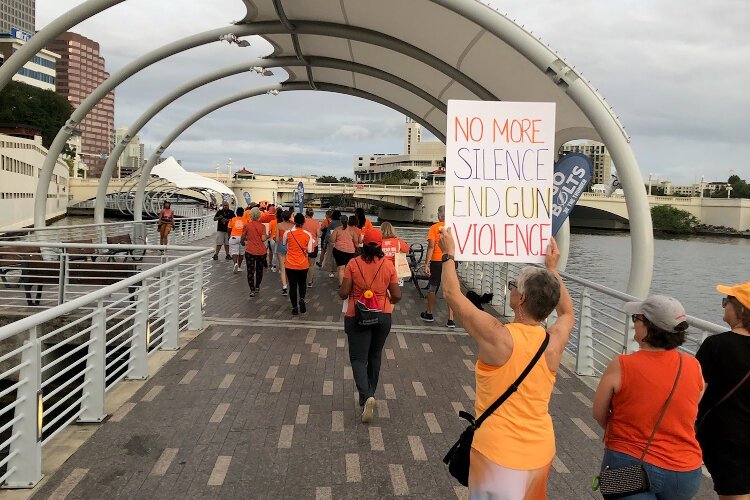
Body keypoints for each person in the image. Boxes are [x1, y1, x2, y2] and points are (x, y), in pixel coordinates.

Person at [438, 229, 575, 499]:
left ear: (520, 299)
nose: (511, 288)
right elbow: (568, 312)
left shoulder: (499, 336)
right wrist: (553, 271)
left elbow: (453, 296)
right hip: (540, 451)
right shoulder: (553, 342)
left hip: (496, 453)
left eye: (514, 285)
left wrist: (448, 252)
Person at [593, 295, 704, 499]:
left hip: (628, 461)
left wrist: (619, 434)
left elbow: (599, 412)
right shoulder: (693, 366)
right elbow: (689, 409)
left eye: (636, 318)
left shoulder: (622, 364)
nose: (634, 323)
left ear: (649, 327)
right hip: (684, 472)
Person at [338, 228, 400, 423]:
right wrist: (383, 297)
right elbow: (397, 296)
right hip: (382, 316)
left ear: (363, 244)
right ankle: (370, 393)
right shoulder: (388, 265)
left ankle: (366, 396)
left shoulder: (353, 264)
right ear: (380, 245)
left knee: (358, 358)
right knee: (375, 355)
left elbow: (344, 292)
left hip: (358, 315)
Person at [696, 281, 750, 499]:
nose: (723, 306)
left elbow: (694, 393)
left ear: (742, 310)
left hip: (727, 440)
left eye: (726, 301)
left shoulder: (716, 345)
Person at [421, 205, 455, 328]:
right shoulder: (453, 228)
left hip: (437, 260)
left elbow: (431, 246)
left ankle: (429, 313)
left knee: (433, 286)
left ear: (439, 215)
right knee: (451, 288)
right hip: (451, 260)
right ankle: (450, 319)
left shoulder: (434, 228)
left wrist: (426, 264)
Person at [283, 213, 315, 315]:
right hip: (303, 264)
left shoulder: (287, 233)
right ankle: (302, 298)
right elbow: (310, 250)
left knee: (292, 286)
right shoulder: (308, 234)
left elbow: (284, 243)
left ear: (294, 221)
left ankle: (294, 308)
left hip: (290, 263)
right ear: (303, 222)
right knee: (302, 284)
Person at [240, 207, 268, 297]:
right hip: (261, 252)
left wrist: (242, 243)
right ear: (259, 215)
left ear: (251, 215)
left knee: (250, 271)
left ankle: (251, 290)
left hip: (250, 251)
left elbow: (243, 237)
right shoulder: (262, 226)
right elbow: (263, 239)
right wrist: (268, 236)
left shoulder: (247, 226)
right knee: (259, 270)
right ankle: (257, 286)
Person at [329, 215, 359, 285]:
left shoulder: (337, 229)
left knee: (341, 268)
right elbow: (356, 241)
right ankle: (348, 285)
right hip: (350, 252)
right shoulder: (352, 230)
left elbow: (332, 240)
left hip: (339, 251)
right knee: (348, 269)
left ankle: (341, 285)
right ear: (347, 221)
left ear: (340, 221)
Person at [275, 210, 293, 296]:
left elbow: (277, 239)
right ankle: (291, 284)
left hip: (281, 246)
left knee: (282, 268)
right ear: (289, 217)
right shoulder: (293, 226)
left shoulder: (279, 225)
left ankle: (284, 287)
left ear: (282, 217)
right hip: (290, 247)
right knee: (290, 267)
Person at [302, 208, 322, 287]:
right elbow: (319, 235)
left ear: (306, 214)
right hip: (313, 245)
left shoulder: (302, 221)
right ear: (312, 214)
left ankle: (302, 280)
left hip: (303, 245)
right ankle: (310, 281)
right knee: (311, 264)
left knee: (303, 263)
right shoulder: (316, 222)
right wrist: (321, 232)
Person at [227, 207, 246, 273]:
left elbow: (229, 229)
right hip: (242, 238)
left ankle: (235, 263)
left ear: (236, 213)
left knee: (234, 251)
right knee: (241, 253)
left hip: (233, 237)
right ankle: (239, 267)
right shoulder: (245, 220)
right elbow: (246, 230)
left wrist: (229, 236)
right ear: (243, 213)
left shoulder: (232, 219)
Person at [268, 208, 281, 272]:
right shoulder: (284, 223)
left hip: (273, 239)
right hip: (281, 240)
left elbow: (269, 232)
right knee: (281, 254)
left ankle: (274, 267)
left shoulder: (272, 222)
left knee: (274, 253)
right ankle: (281, 269)